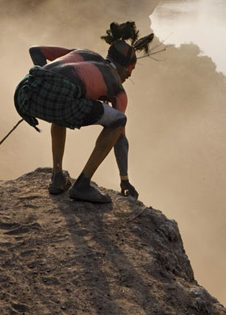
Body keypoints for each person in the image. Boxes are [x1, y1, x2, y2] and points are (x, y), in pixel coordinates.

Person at [14, 21, 154, 204]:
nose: (130, 75)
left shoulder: (82, 53)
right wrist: (124, 179)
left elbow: (36, 51)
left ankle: (57, 177)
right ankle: (82, 185)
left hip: (25, 92)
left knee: (61, 111)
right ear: (124, 66)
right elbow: (120, 137)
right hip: (58, 97)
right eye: (131, 69)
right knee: (119, 120)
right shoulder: (117, 88)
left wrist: (44, 83)